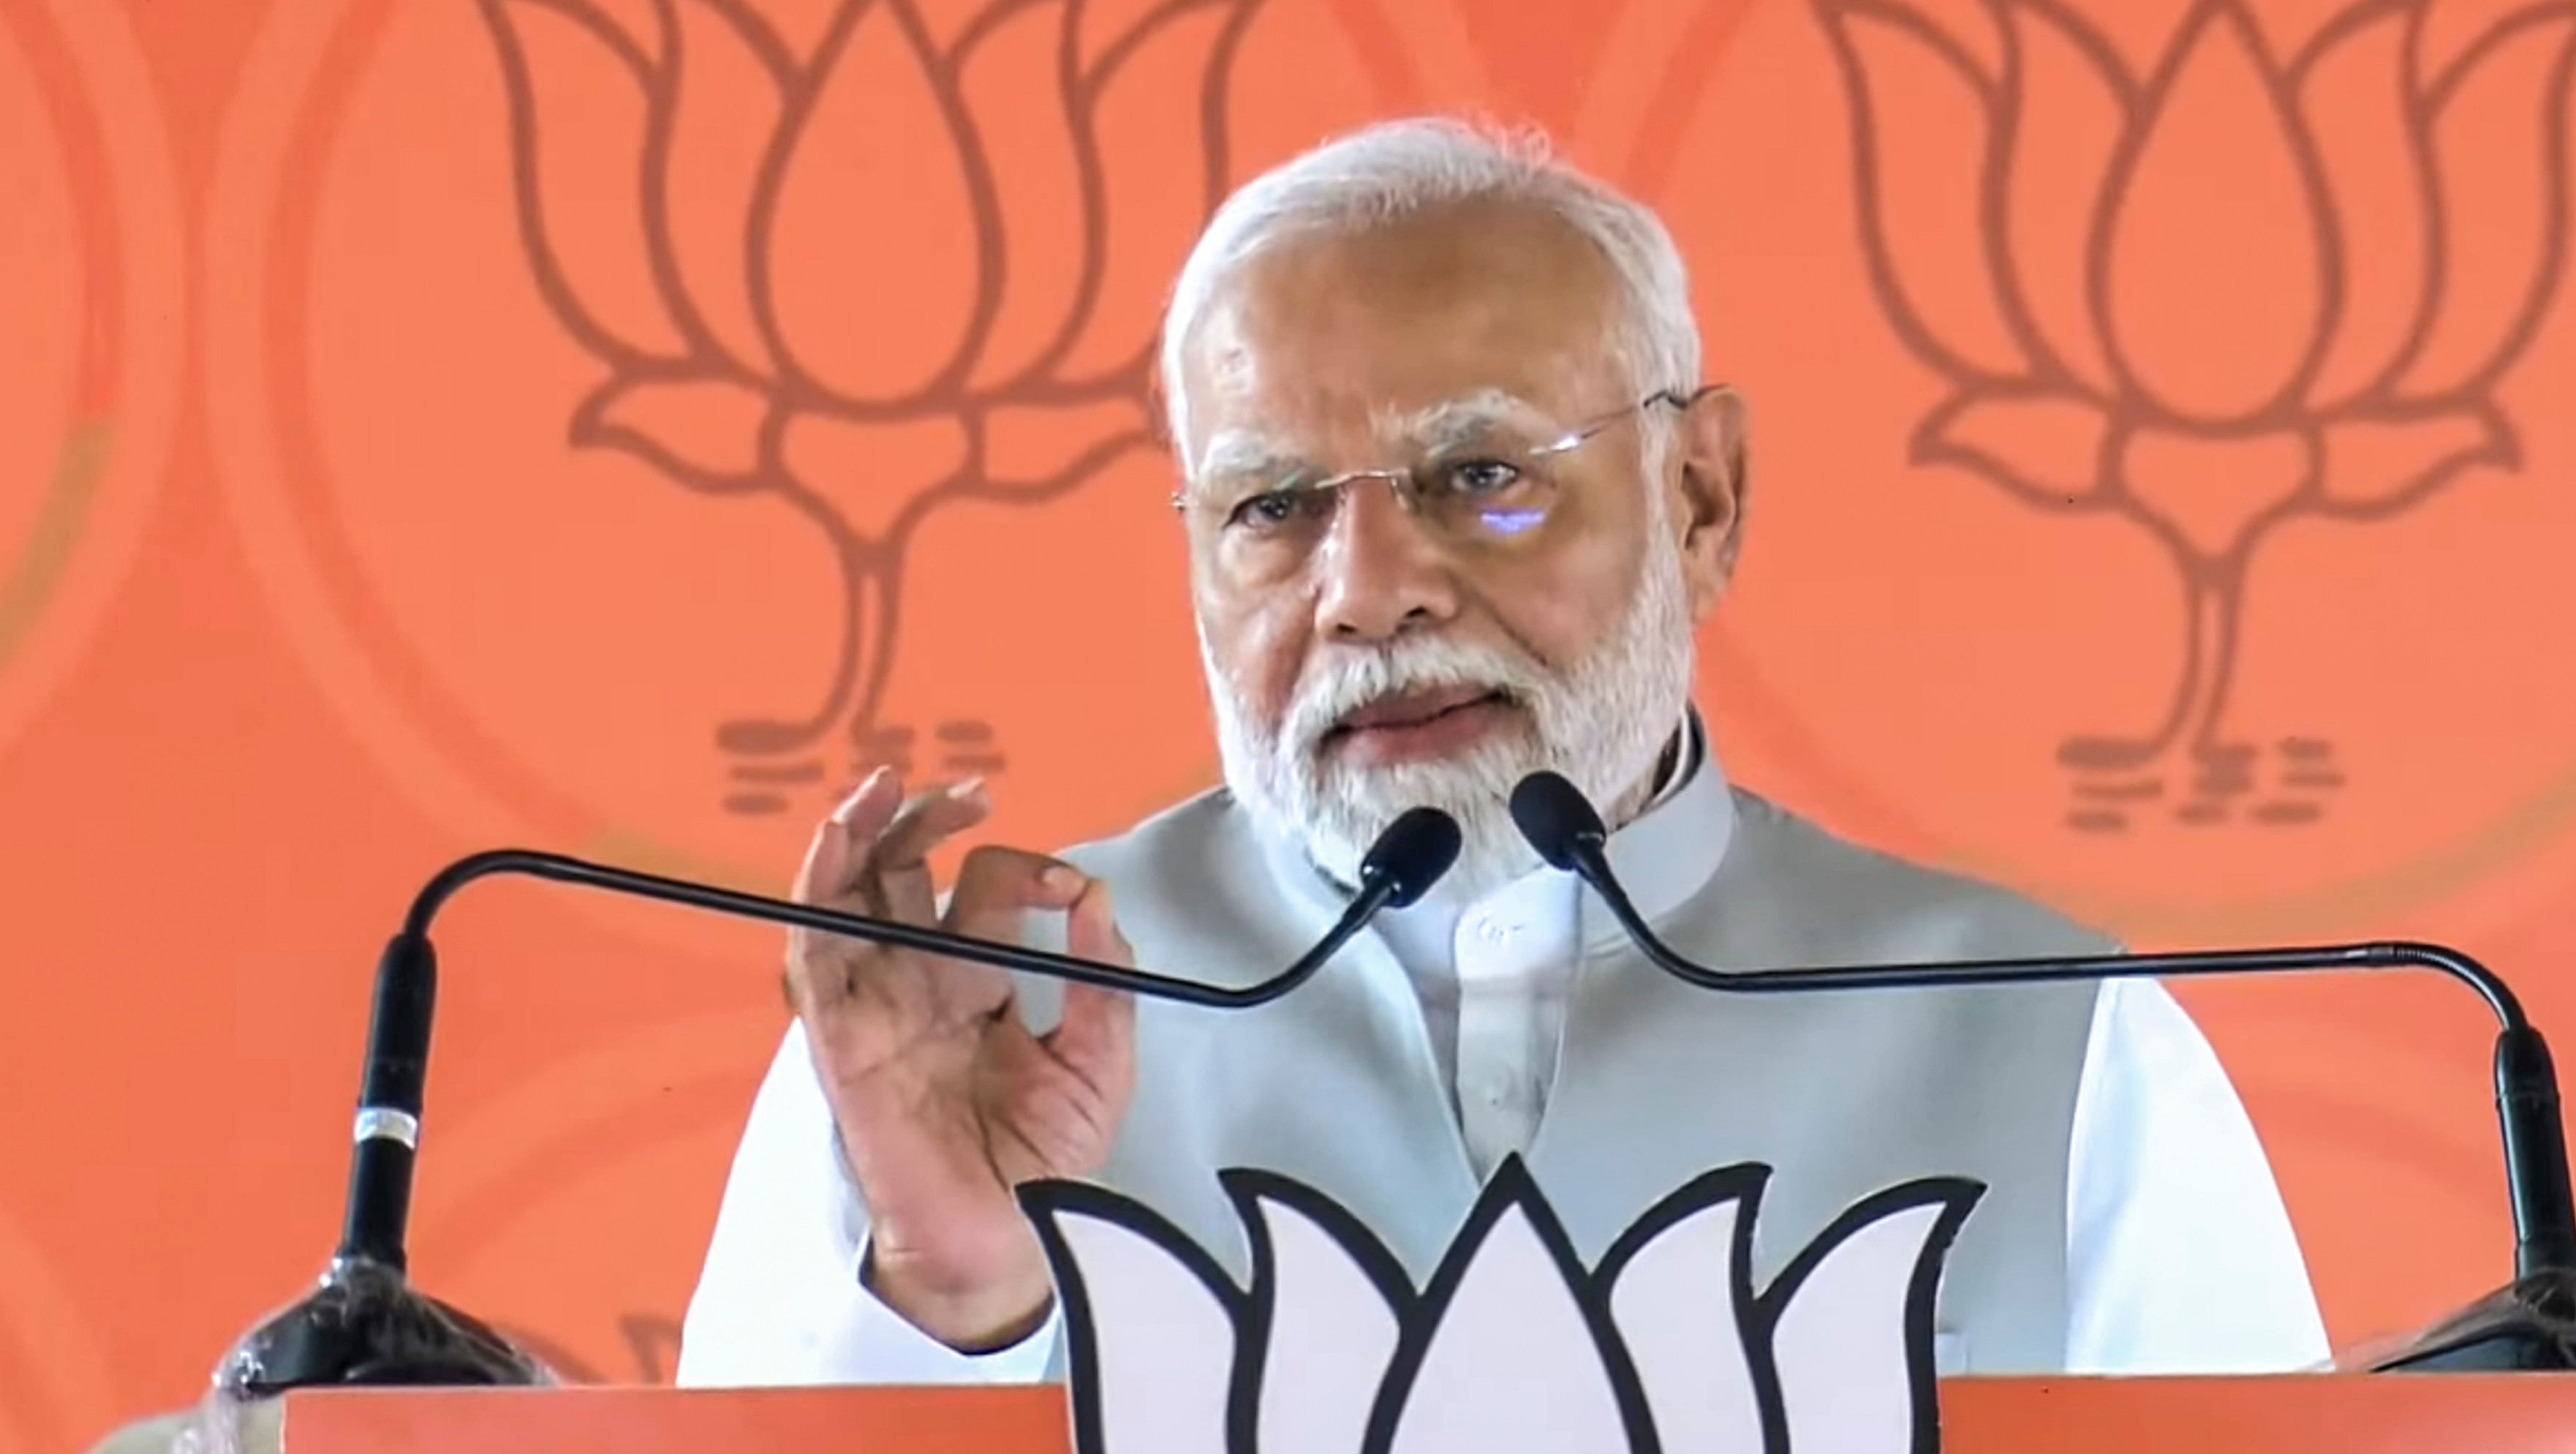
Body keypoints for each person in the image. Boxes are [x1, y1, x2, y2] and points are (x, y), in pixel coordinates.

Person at [673, 116, 2330, 1387]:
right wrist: (948, 1292)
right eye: (1273, 507)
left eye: (1482, 475)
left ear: (1704, 498)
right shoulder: (959, 1024)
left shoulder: (2048, 1040)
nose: (1369, 593)